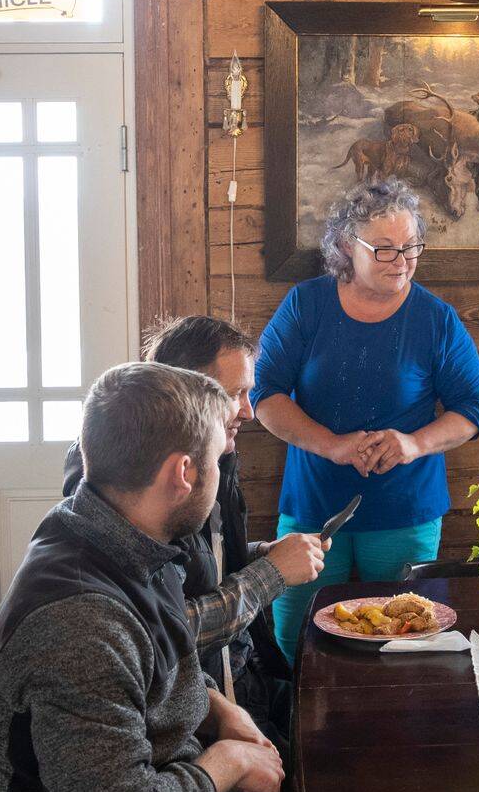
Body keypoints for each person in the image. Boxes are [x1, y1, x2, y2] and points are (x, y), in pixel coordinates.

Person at [0, 362, 460, 792]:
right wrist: (228, 762)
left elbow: (149, 669)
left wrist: (218, 710)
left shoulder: (115, 537)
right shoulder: (80, 626)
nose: (224, 465)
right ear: (183, 473)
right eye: (217, 457)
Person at [251, 180, 479, 658]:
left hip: (405, 508)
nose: (401, 261)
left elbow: (472, 408)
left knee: (403, 644)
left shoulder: (436, 319)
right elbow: (265, 395)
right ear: (347, 245)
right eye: (384, 249)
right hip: (313, 505)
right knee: (296, 643)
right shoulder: (305, 305)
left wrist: (413, 444)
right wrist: (332, 445)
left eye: (410, 247)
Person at [61, 315, 323, 751]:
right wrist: (272, 574)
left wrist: (260, 553)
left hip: (237, 677)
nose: (248, 411)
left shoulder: (213, 450)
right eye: (235, 394)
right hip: (186, 716)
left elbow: (199, 563)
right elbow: (161, 632)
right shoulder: (126, 482)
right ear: (188, 390)